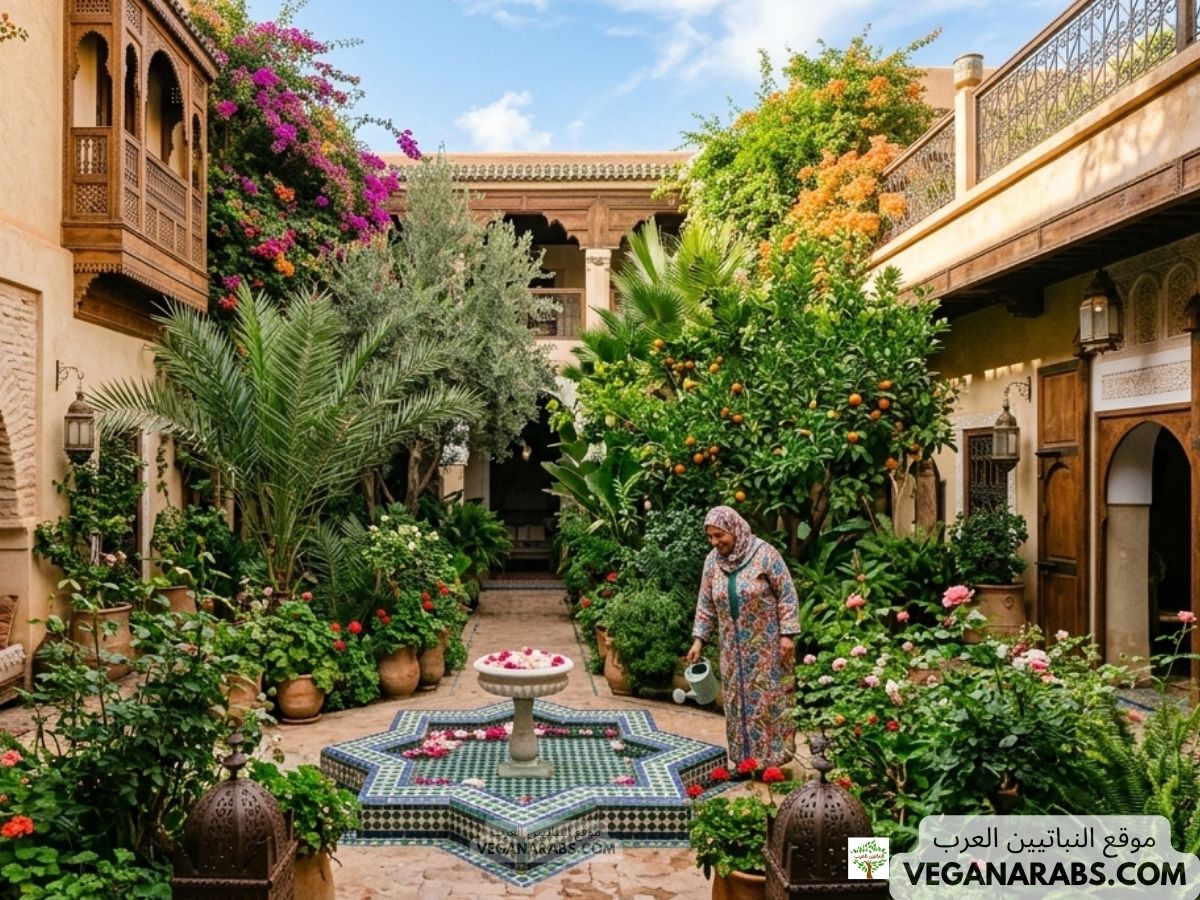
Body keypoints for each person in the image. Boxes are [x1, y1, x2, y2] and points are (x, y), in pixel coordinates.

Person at [686, 506, 800, 768]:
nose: (715, 542)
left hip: (768, 649)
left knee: (768, 702)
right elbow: (705, 604)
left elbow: (786, 594)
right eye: (710, 537)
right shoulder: (712, 562)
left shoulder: (765, 554)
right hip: (732, 651)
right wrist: (699, 640)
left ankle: (773, 761)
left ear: (734, 529)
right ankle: (744, 762)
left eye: (719, 536)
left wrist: (787, 635)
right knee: (737, 706)